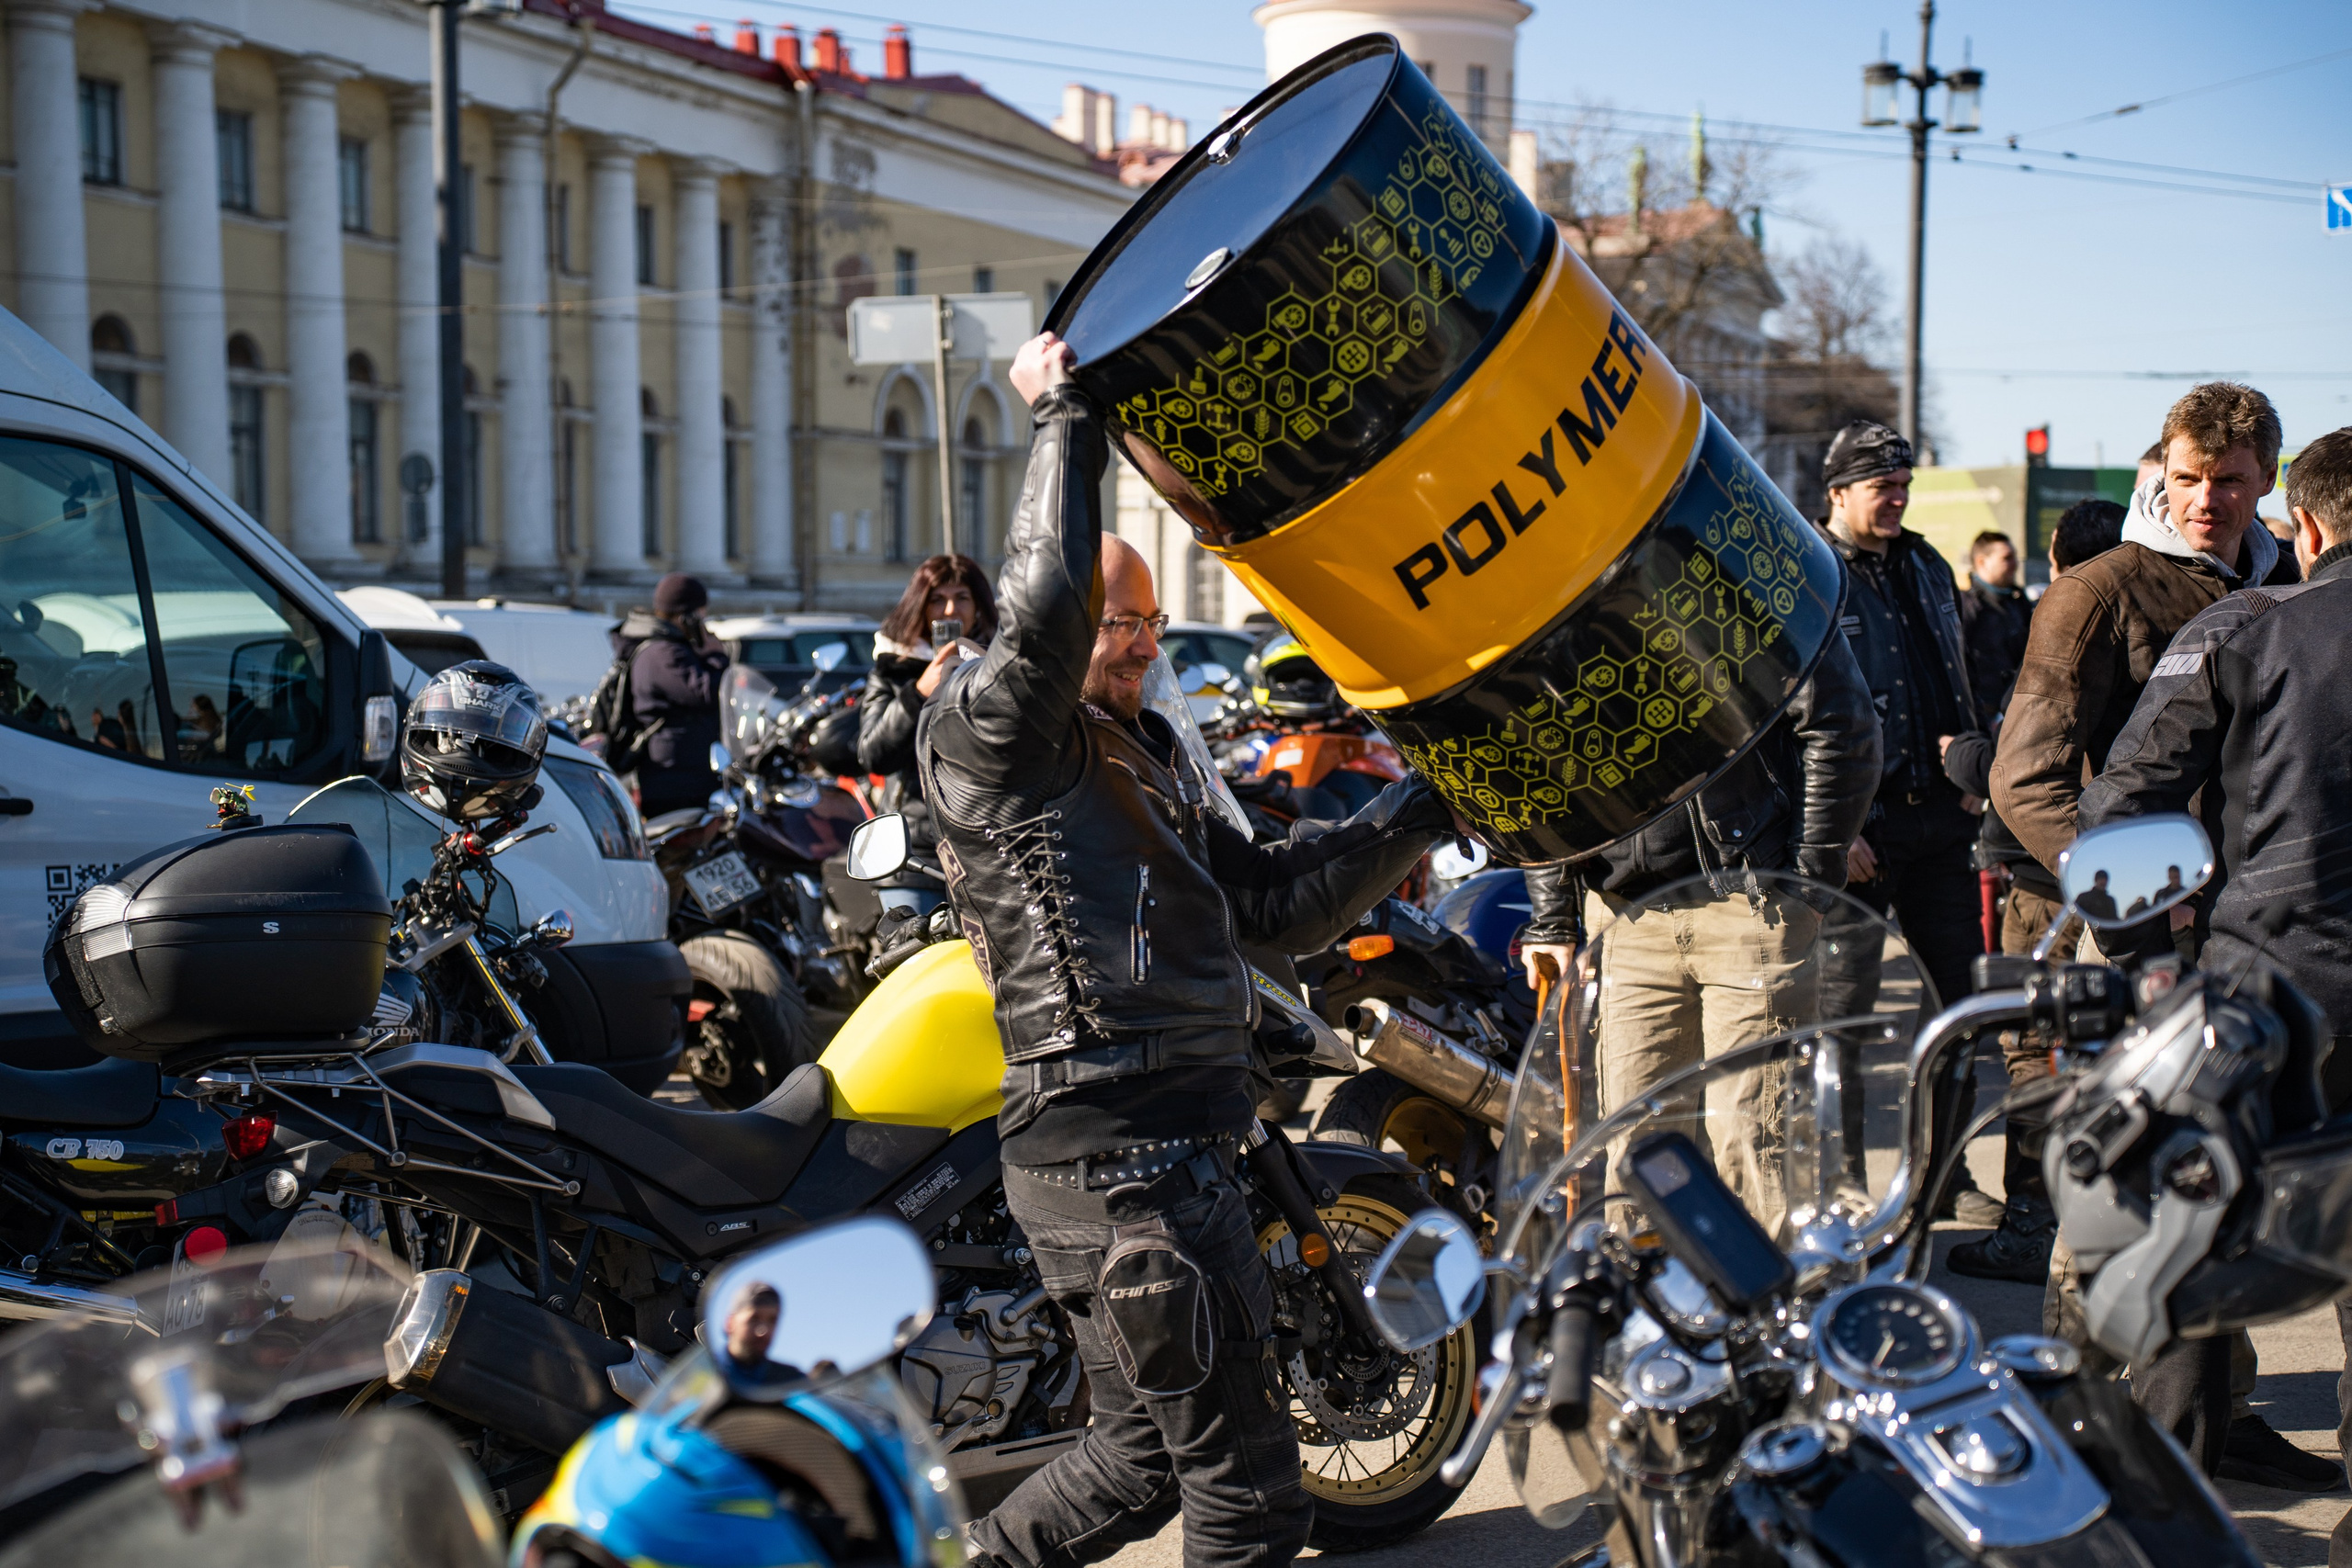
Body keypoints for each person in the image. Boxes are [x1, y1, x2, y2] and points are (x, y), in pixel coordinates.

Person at [926, 332, 1453, 1568]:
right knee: (1254, 1497)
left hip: (1158, 1148)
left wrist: (1430, 800)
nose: (1144, 646)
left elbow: (1276, 899)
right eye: (1123, 623)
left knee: (1137, 1461)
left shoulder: (1146, 749)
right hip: (1126, 1160)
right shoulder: (995, 730)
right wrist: (1064, 416)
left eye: (1155, 625)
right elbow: (1047, 606)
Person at [1995, 384, 2318, 1491]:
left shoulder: (2284, 580)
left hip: (2261, 936)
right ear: (2158, 472)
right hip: (2133, 931)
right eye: (2186, 478)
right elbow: (2024, 778)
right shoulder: (2098, 590)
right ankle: (2067, 1427)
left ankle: (2216, 1415)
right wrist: (2136, 896)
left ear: (2266, 480)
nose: (2206, 501)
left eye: (2229, 481)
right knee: (2120, 1198)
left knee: (2239, 1188)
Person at [2077, 425, 2352, 1503]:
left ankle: (2166, 1519)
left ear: (2305, 525)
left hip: (2260, 997)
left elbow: (2117, 814)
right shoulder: (2244, 624)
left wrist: (2157, 975)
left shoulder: (2244, 626)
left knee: (2193, 1261)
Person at [1514, 627, 1879, 1226]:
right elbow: (1532, 759)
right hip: (1628, 914)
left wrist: (1809, 877)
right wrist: (1552, 913)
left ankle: (1775, 1311)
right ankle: (1648, 1313)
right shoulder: (1557, 599)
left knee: (1758, 1148)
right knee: (1636, 1154)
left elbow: (1842, 722)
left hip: (1750, 902)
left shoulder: (1722, 563)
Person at [1811, 421, 1999, 1224]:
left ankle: (1945, 1176)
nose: (1895, 499)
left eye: (1902, 485)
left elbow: (1959, 671)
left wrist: (1975, 767)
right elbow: (1794, 706)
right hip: (1863, 832)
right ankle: (1848, 1183)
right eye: (1880, 486)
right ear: (1838, 494)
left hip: (1943, 823)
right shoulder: (1809, 566)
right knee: (1844, 1024)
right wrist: (1831, 825)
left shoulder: (1924, 561)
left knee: (1958, 1010)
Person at [858, 554, 999, 916]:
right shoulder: (894, 667)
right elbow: (873, 753)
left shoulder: (1002, 668)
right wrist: (920, 690)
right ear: (920, 606)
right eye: (938, 598)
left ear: (980, 606)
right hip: (915, 854)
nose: (950, 609)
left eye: (962, 597)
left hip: (988, 851)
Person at [628, 571, 731, 817]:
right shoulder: (664, 653)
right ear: (686, 617)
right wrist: (715, 654)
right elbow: (707, 693)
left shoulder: (670, 648)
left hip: (683, 770)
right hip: (674, 776)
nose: (703, 624)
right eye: (700, 616)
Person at [1957, 530, 2032, 723]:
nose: (2015, 565)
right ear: (1982, 562)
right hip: (1983, 715)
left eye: (2015, 557)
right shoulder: (1967, 607)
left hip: (2017, 710)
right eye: (2007, 558)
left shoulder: (2018, 601)